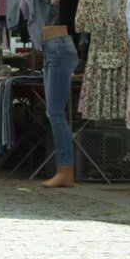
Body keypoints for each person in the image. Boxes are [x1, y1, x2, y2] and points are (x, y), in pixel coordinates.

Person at [40, 24, 79, 188]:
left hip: (58, 48)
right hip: (52, 47)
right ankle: (63, 170)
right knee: (53, 112)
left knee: (55, 112)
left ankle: (65, 171)